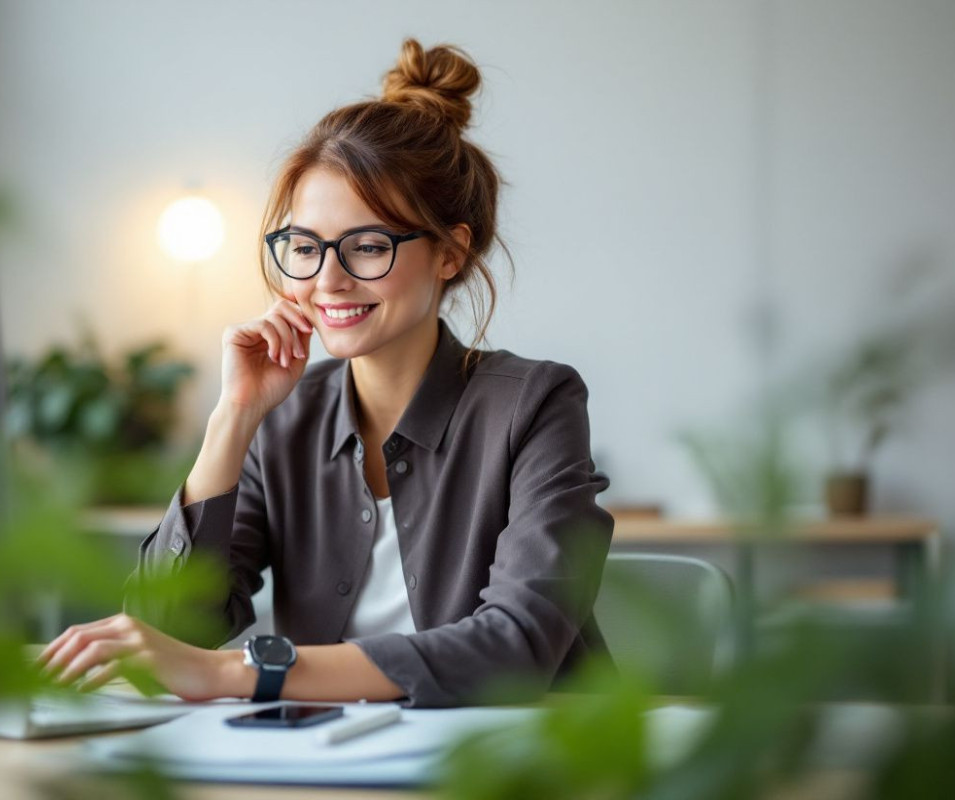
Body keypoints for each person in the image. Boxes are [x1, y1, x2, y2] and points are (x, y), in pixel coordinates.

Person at [39, 39, 613, 708]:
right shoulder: (282, 419)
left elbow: (515, 647)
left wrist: (239, 673)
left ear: (451, 252)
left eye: (368, 246)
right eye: (305, 248)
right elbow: (168, 630)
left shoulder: (536, 403)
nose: (328, 281)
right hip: (332, 761)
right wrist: (232, 421)